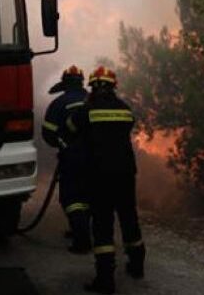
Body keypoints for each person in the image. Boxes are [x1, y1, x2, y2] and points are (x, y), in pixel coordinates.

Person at [71, 66, 145, 294]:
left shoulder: (86, 110)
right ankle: (137, 266)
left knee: (103, 225)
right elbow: (128, 126)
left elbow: (69, 130)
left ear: (92, 87)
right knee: (129, 217)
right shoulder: (125, 109)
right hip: (124, 174)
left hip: (99, 175)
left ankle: (105, 280)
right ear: (113, 87)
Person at [41, 65, 92, 253]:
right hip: (96, 158)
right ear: (81, 82)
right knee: (88, 196)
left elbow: (48, 134)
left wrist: (62, 144)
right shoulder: (92, 100)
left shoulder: (58, 103)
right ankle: (82, 229)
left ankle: (82, 240)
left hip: (72, 159)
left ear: (65, 83)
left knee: (71, 198)